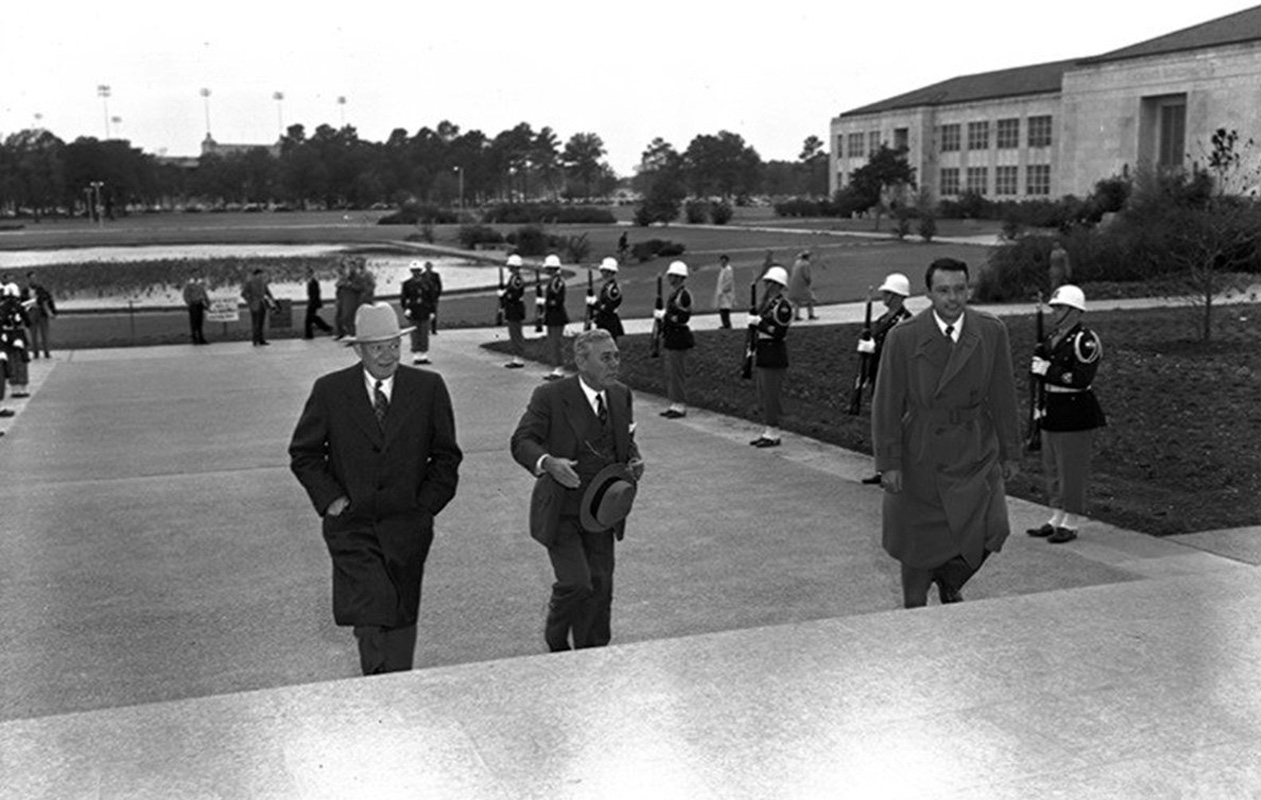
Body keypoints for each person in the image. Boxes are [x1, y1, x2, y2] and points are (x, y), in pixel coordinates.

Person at [289, 302, 462, 676]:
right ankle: (378, 689)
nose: (387, 355)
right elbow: (303, 453)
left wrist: (424, 507)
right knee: (372, 611)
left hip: (407, 526)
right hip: (352, 526)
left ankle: (396, 687)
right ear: (358, 349)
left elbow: (447, 456)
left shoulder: (428, 388)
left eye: (393, 345)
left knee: (400, 615)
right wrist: (332, 499)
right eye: (377, 347)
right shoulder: (331, 391)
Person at [872, 257, 1021, 609]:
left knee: (993, 526)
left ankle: (950, 578)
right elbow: (887, 403)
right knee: (919, 539)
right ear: (929, 294)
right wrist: (889, 462)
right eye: (943, 291)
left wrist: (1011, 451)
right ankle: (915, 603)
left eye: (959, 289)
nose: (952, 299)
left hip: (975, 446)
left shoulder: (990, 330)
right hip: (922, 449)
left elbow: (1003, 395)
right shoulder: (903, 337)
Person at [510, 328, 644, 652]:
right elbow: (521, 442)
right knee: (576, 582)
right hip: (562, 511)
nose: (615, 363)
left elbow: (623, 440)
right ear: (581, 361)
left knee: (600, 587)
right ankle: (555, 635)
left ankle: (593, 655)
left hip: (601, 512)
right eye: (606, 357)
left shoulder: (620, 395)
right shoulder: (550, 397)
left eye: (616, 356)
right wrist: (548, 462)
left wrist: (634, 459)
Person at [1026, 284, 1106, 544]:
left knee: (1071, 470)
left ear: (1074, 311)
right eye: (1053, 307)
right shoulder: (1052, 338)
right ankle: (1056, 516)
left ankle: (1071, 522)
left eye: (1059, 307)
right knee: (1053, 468)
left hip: (1074, 411)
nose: (1054, 312)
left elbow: (1080, 378)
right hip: (1053, 408)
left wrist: (1046, 370)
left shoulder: (1085, 340)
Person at [860, 273, 915, 484]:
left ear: (895, 296)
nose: (884, 295)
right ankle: (884, 467)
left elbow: (904, 354)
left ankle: (898, 467)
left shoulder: (906, 322)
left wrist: (877, 348)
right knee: (881, 424)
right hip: (879, 377)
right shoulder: (882, 320)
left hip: (896, 381)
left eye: (887, 292)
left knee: (894, 425)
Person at [748, 265, 793, 447]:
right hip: (765, 351)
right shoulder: (769, 304)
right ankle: (768, 430)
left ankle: (773, 433)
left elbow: (779, 332)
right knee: (764, 394)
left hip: (774, 352)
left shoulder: (783, 306)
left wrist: (761, 324)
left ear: (776, 284)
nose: (765, 285)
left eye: (768, 282)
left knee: (771, 395)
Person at [658, 260, 694, 419]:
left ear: (679, 277)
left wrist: (665, 316)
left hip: (679, 336)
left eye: (672, 275)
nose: (669, 278)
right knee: (671, 372)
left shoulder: (683, 295)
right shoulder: (675, 294)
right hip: (672, 336)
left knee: (677, 372)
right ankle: (674, 402)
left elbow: (683, 318)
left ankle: (680, 404)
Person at [0, 282, 31, 400]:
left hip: (7, 337)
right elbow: (28, 322)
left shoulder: (2, 307)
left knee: (11, 362)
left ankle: (14, 388)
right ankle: (22, 388)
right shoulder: (19, 306)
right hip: (19, 335)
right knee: (21, 362)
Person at [400, 261, 435, 364]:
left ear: (421, 271)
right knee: (415, 333)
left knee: (424, 333)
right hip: (413, 311)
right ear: (411, 271)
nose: (416, 273)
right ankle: (416, 356)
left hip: (425, 310)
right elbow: (403, 298)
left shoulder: (428, 283)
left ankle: (423, 355)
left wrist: (432, 311)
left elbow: (431, 298)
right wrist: (406, 308)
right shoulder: (407, 284)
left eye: (418, 271)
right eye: (414, 271)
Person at [542, 254, 568, 381]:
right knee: (552, 342)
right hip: (552, 315)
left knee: (555, 343)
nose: (546, 270)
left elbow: (557, 301)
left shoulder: (557, 282)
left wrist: (545, 302)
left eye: (547, 268)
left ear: (552, 268)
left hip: (557, 315)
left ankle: (559, 369)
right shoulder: (553, 281)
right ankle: (556, 367)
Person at [500, 254, 527, 368]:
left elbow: (514, 295)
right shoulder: (513, 278)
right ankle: (517, 356)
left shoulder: (517, 279)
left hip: (515, 308)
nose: (508, 267)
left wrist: (505, 296)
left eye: (510, 265)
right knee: (513, 332)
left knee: (516, 333)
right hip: (512, 308)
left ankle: (519, 358)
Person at [23, 272, 56, 358]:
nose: (34, 280)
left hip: (41, 312)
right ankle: (35, 352)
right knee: (33, 334)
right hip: (31, 312)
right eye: (31, 278)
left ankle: (46, 352)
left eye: (35, 278)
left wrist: (52, 311)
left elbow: (48, 299)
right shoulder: (25, 290)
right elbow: (22, 303)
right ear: (28, 279)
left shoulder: (41, 289)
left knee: (44, 333)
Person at [591, 257, 624, 340]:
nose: (601, 272)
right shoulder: (607, 286)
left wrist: (595, 303)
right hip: (603, 320)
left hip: (609, 322)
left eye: (603, 270)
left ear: (609, 272)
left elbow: (608, 307)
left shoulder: (613, 289)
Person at [241, 268, 276, 346]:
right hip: (255, 304)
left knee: (261, 323)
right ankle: (255, 340)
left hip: (262, 304)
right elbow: (243, 294)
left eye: (262, 275)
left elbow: (268, 292)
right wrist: (250, 301)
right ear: (256, 275)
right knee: (255, 323)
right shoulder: (249, 283)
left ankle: (261, 339)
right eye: (260, 274)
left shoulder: (263, 283)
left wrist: (272, 300)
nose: (261, 276)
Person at [304, 267, 333, 339]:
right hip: (311, 302)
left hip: (313, 303)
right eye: (306, 273)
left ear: (311, 273)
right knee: (311, 318)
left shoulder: (314, 281)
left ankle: (326, 328)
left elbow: (316, 293)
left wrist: (312, 303)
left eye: (308, 273)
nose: (306, 274)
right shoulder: (310, 281)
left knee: (309, 318)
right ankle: (310, 334)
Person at [787, 250, 817, 321]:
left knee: (796, 300)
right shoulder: (806, 264)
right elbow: (806, 276)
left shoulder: (797, 263)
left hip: (794, 285)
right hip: (802, 285)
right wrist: (809, 282)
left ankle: (796, 315)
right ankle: (811, 314)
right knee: (810, 299)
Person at [182, 273, 209, 345]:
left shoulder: (200, 284)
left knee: (200, 323)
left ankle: (201, 338)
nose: (196, 276)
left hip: (200, 304)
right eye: (195, 275)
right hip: (193, 304)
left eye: (197, 274)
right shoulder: (189, 285)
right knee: (194, 322)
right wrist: (189, 303)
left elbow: (204, 294)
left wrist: (207, 303)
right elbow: (185, 295)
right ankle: (194, 338)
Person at [333, 260, 356, 339]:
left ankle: (352, 336)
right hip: (341, 299)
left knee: (347, 318)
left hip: (347, 301)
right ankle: (342, 333)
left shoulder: (347, 278)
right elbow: (337, 286)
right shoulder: (343, 278)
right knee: (338, 318)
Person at [713, 254, 735, 329]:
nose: (722, 263)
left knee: (725, 310)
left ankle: (727, 325)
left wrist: (723, 291)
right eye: (721, 261)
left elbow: (728, 282)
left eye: (724, 261)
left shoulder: (728, 270)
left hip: (725, 294)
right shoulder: (723, 270)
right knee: (722, 310)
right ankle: (725, 324)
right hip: (722, 294)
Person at [422, 261, 443, 335]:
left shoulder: (436, 275)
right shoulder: (422, 275)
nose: (428, 267)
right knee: (425, 313)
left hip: (434, 297)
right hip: (425, 298)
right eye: (427, 266)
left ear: (431, 267)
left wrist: (437, 295)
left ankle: (434, 329)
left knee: (434, 313)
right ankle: (426, 329)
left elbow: (439, 286)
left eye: (429, 266)